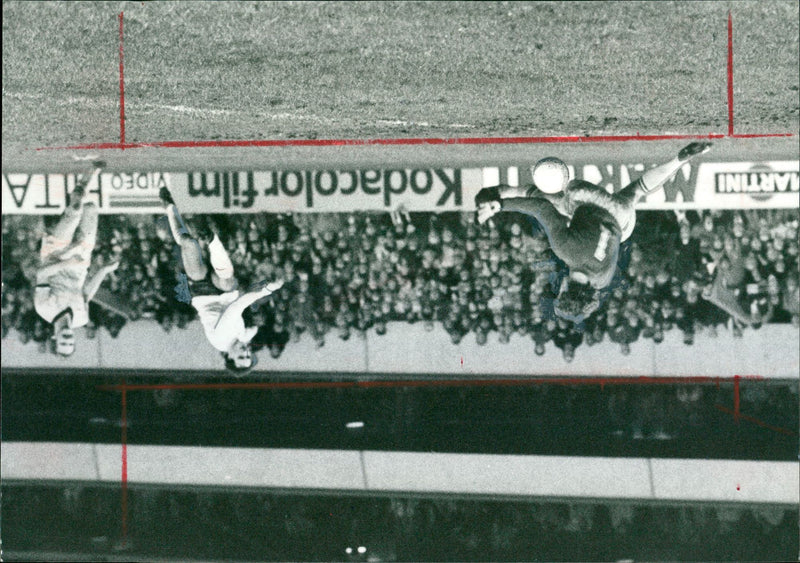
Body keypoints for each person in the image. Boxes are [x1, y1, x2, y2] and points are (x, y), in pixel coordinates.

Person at [475, 142, 712, 321]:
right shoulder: (565, 251)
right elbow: (541, 209)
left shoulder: (601, 281)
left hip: (623, 222)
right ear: (565, 287)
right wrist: (501, 206)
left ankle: (678, 162)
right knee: (552, 198)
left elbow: (590, 299)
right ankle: (502, 193)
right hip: (591, 203)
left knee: (636, 192)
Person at [159, 187, 283, 374]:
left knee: (189, 243)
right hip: (225, 290)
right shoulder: (243, 337)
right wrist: (256, 327)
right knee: (226, 282)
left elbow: (237, 307)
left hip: (202, 294)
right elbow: (251, 331)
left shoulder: (221, 340)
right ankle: (211, 240)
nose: (246, 353)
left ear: (229, 357)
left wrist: (267, 289)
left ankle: (169, 206)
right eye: (249, 356)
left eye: (241, 357)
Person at [34, 162, 119, 356]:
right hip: (81, 259)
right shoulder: (81, 319)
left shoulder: (44, 309)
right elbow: (87, 293)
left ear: (55, 338)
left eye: (63, 341)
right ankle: (77, 188)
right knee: (90, 208)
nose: (68, 337)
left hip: (55, 255)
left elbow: (42, 273)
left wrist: (66, 262)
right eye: (70, 341)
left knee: (76, 208)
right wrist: (104, 270)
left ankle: (89, 175)